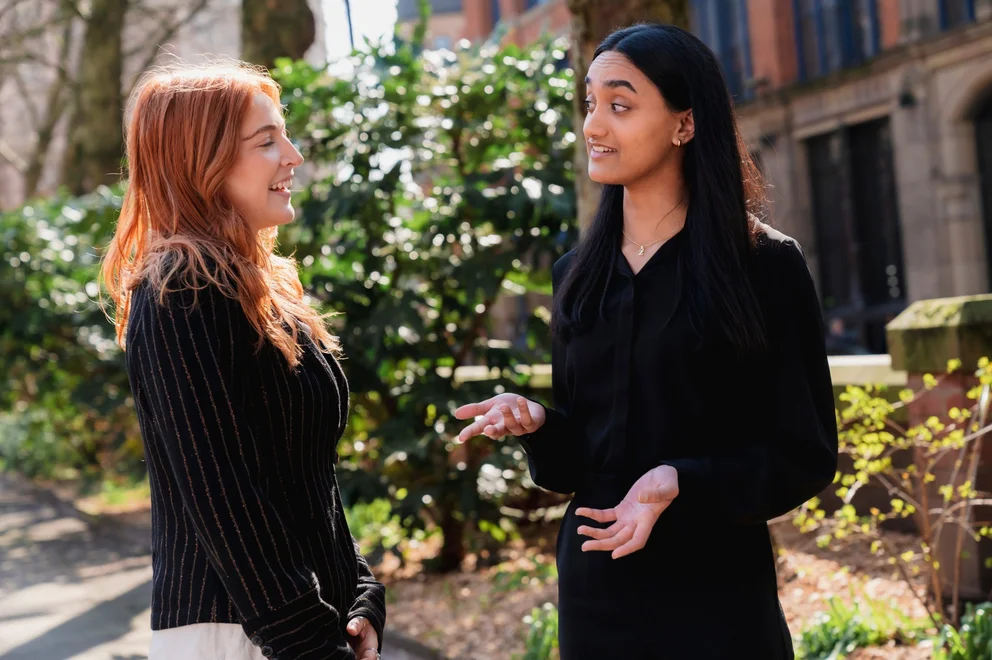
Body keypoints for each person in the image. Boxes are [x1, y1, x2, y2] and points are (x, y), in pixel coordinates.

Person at [455, 24, 837, 658]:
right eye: (590, 103)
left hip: (716, 596)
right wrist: (538, 423)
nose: (594, 126)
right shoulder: (577, 275)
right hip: (596, 591)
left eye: (621, 105)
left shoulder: (764, 264)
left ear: (684, 124)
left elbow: (805, 451)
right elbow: (582, 458)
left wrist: (679, 479)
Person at [102, 62, 385, 660]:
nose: (294, 156)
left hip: (295, 623)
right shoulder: (182, 291)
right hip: (238, 632)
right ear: (200, 163)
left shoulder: (257, 287)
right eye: (267, 142)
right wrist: (307, 642)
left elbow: (303, 477)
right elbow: (221, 498)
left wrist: (359, 590)